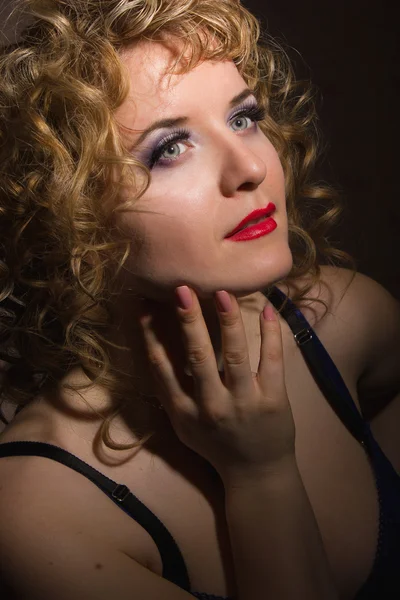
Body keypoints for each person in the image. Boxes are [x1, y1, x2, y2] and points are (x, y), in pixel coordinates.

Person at [0, 0, 399, 598]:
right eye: (170, 149)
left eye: (242, 119)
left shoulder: (347, 319)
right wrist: (260, 473)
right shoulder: (38, 510)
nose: (250, 168)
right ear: (70, 214)